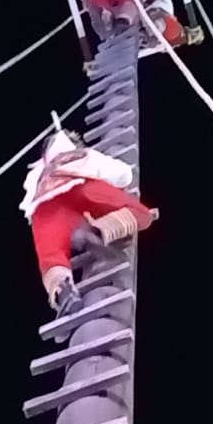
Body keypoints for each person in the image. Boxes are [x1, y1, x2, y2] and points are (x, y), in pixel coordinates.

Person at [21, 121, 158, 316]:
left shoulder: (38, 175)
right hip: (79, 186)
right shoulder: (81, 155)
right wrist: (124, 179)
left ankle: (62, 289)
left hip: (43, 205)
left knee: (51, 255)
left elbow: (28, 204)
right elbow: (121, 174)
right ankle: (99, 230)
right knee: (141, 213)